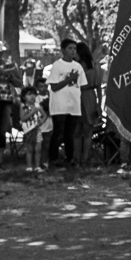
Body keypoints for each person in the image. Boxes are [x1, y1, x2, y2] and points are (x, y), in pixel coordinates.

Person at [45, 38, 87, 169]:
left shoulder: (78, 66)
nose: (73, 51)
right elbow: (54, 87)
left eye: (74, 49)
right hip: (59, 105)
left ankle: (70, 158)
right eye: (70, 48)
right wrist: (69, 79)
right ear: (63, 50)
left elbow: (82, 85)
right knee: (58, 133)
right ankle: (53, 158)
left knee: (70, 133)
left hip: (73, 105)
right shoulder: (57, 65)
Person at [74, 41, 100, 166]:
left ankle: (85, 158)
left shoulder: (93, 65)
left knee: (88, 129)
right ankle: (76, 158)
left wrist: (99, 104)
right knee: (77, 129)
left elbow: (98, 86)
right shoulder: (73, 65)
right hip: (76, 96)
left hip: (89, 96)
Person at [19, 87, 47, 173]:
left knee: (38, 148)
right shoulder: (23, 107)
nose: (32, 96)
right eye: (29, 94)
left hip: (37, 129)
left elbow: (44, 115)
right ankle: (29, 166)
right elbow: (23, 118)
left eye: (34, 94)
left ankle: (37, 166)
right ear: (24, 97)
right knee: (29, 149)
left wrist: (41, 122)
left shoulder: (38, 106)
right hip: (28, 131)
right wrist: (32, 112)